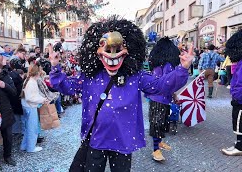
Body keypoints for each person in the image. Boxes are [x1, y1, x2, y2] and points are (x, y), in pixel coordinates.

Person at [49, 17, 194, 171]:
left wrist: (182, 68)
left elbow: (160, 86)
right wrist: (55, 67)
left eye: (118, 49)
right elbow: (67, 87)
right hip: (96, 139)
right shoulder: (90, 77)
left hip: (122, 141)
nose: (112, 55)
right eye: (108, 49)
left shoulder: (136, 76)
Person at [146, 37, 181, 161]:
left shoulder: (160, 64)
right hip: (159, 98)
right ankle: (156, 150)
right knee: (157, 124)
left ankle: (159, 143)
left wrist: (173, 95)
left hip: (161, 98)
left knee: (160, 123)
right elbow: (167, 82)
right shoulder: (165, 65)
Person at [221, 29, 242, 156]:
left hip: (240, 100)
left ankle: (240, 147)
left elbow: (239, 83)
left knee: (239, 122)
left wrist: (237, 98)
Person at [20, 63, 49, 152]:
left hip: (27, 106)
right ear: (37, 72)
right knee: (32, 128)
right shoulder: (31, 82)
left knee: (28, 128)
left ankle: (24, 146)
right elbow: (31, 97)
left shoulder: (28, 80)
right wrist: (42, 100)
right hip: (30, 107)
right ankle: (31, 147)